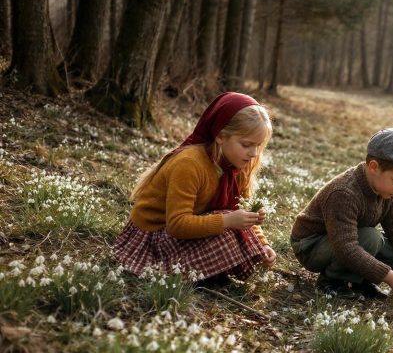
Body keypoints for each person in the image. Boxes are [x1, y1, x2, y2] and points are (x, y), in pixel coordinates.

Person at [113, 92, 277, 285]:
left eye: (258, 146)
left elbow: (240, 210)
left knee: (241, 236)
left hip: (194, 225)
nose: (254, 153)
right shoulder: (190, 164)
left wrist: (262, 243)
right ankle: (176, 271)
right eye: (247, 145)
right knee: (228, 239)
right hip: (153, 237)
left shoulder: (237, 165)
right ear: (221, 136)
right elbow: (177, 225)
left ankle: (205, 271)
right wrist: (228, 221)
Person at [291, 128, 393, 299]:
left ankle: (360, 281)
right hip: (311, 245)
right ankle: (332, 281)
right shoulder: (344, 193)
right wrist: (388, 276)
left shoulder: (388, 191)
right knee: (370, 237)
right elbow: (346, 247)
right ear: (374, 167)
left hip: (348, 239)